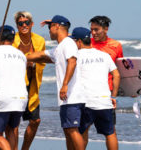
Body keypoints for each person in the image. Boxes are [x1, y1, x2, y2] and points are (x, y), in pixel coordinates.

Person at [28, 15, 85, 150]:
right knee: (68, 131)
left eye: (50, 27)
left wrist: (65, 84)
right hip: (67, 99)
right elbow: (41, 55)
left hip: (72, 97)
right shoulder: (59, 48)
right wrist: (20, 57)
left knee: (72, 130)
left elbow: (72, 61)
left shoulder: (68, 43)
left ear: (57, 26)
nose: (48, 30)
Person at [70, 27, 120, 150]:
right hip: (104, 100)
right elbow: (116, 75)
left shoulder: (75, 56)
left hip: (86, 101)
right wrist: (113, 96)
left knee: (82, 132)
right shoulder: (104, 55)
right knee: (110, 133)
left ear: (79, 41)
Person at [0, 25, 28, 150]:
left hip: (4, 98)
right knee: (11, 129)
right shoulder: (21, 55)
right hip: (21, 97)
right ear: (13, 39)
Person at [12, 11, 46, 150]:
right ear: (17, 25)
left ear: (31, 24)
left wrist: (33, 62)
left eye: (26, 23)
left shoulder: (39, 40)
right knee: (14, 122)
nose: (24, 25)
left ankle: (24, 148)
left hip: (32, 86)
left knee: (35, 120)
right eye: (20, 23)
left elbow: (43, 59)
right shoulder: (12, 40)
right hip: (15, 85)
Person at [89, 15, 123, 148]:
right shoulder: (87, 43)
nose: (93, 33)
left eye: (96, 29)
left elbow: (120, 70)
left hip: (106, 92)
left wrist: (131, 88)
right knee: (82, 128)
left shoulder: (116, 45)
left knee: (110, 130)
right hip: (87, 91)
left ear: (106, 29)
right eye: (91, 29)